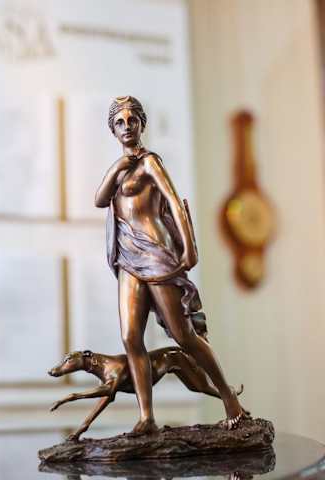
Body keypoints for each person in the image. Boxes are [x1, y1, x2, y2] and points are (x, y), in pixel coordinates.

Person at [95, 96, 247, 435]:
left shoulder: (150, 163)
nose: (127, 126)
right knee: (130, 336)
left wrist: (189, 248)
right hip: (128, 258)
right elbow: (100, 199)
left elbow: (175, 204)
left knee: (183, 335)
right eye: (119, 122)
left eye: (132, 120)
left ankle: (228, 398)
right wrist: (117, 168)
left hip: (156, 254)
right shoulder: (121, 168)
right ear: (113, 130)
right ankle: (146, 417)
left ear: (142, 124)